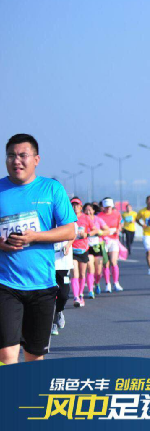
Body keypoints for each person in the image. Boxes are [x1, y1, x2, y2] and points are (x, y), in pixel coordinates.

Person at [0, 134, 76, 364]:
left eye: (23, 155)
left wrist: (35, 237)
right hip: (5, 285)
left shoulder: (51, 189)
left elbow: (69, 231)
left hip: (42, 285)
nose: (16, 160)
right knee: (6, 353)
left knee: (34, 355)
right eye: (11, 155)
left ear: (36, 159)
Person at [97, 198, 123, 292]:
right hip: (103, 241)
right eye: (106, 207)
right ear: (103, 207)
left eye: (109, 207)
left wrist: (118, 229)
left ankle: (116, 283)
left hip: (114, 240)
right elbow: (98, 228)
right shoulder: (99, 216)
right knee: (105, 263)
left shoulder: (117, 214)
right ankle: (107, 284)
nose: (108, 209)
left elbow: (120, 224)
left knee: (113, 261)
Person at [70, 197, 92, 305]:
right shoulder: (68, 217)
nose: (75, 207)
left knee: (82, 274)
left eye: (77, 205)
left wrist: (86, 234)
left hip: (83, 249)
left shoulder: (86, 218)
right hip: (72, 249)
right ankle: (76, 297)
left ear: (81, 207)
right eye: (73, 205)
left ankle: (80, 294)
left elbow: (95, 229)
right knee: (75, 273)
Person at [84, 203, 108, 295]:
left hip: (97, 247)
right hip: (87, 247)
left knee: (98, 271)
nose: (88, 212)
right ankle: (90, 290)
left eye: (90, 210)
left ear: (93, 211)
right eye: (86, 210)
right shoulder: (82, 220)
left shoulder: (98, 220)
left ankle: (97, 283)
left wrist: (100, 232)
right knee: (90, 268)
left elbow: (107, 230)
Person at [52, 234, 73, 335]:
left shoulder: (66, 223)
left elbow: (73, 234)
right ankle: (52, 323)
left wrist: (68, 245)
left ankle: (58, 311)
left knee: (64, 294)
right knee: (49, 294)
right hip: (47, 263)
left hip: (63, 263)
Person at [136, 196, 150, 276]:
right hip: (147, 235)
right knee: (149, 251)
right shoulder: (142, 211)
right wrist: (141, 225)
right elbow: (137, 219)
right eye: (148, 201)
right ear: (146, 202)